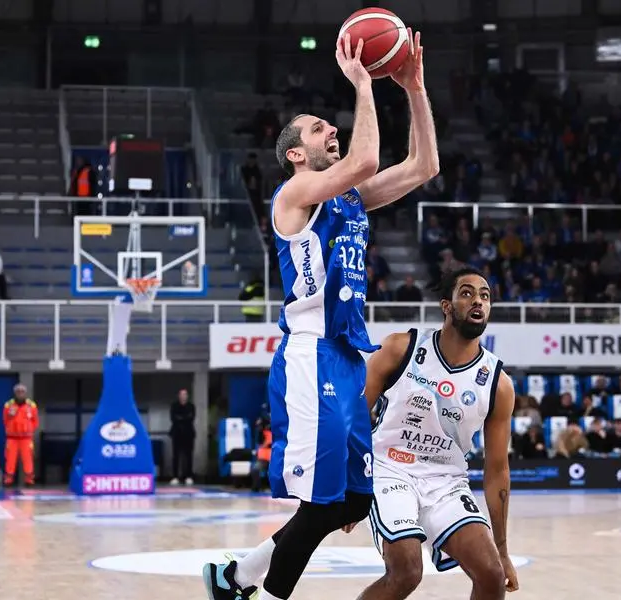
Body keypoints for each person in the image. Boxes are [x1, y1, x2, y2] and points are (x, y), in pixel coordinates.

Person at [203, 30, 439, 600]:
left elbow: (424, 165)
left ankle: (234, 577)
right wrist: (362, 82)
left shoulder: (349, 198)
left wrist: (414, 87)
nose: (330, 129)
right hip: (310, 354)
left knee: (356, 500)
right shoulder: (294, 192)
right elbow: (366, 158)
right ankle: (247, 586)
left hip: (347, 357)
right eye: (317, 128)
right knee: (321, 504)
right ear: (294, 153)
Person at [357, 266, 518, 599]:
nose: (478, 301)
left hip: (446, 480)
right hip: (391, 469)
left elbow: (498, 470)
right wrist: (348, 485)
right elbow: (354, 417)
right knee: (406, 571)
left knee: (491, 573)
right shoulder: (401, 347)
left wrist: (502, 549)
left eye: (485, 296)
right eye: (467, 293)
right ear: (447, 306)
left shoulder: (497, 384)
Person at [3, 384, 39, 487]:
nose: (20, 393)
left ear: (25, 393)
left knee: (28, 459)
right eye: (18, 391)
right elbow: (5, 420)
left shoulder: (31, 405)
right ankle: (8, 479)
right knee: (10, 459)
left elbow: (35, 421)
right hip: (12, 438)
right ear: (15, 393)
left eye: (22, 391)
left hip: (26, 438)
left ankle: (29, 480)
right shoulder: (8, 405)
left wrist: (29, 430)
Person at [170, 389, 196, 486]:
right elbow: (173, 418)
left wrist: (182, 418)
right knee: (176, 455)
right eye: (181, 394)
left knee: (188, 456)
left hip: (189, 433)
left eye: (185, 394)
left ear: (187, 396)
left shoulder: (191, 406)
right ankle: (175, 476)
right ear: (178, 396)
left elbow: (191, 417)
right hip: (176, 433)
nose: (183, 396)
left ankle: (188, 476)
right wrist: (183, 418)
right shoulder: (174, 406)